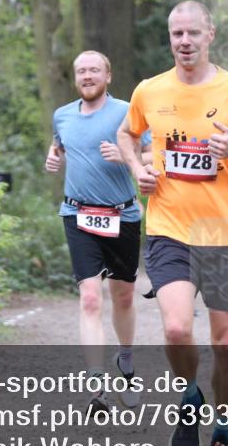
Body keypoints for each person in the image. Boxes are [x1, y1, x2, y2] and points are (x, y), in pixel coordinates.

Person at [117, 1, 228, 446]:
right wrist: (136, 169)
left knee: (227, 343)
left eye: (193, 32)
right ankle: (190, 394)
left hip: (224, 234)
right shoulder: (150, 90)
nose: (184, 41)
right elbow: (127, 134)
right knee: (176, 329)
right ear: (170, 38)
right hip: (170, 229)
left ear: (210, 34)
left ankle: (223, 428)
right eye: (177, 33)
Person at [45, 50, 150, 414]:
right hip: (78, 214)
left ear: (108, 76)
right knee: (90, 298)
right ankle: (96, 387)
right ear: (76, 77)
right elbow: (59, 146)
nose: (87, 76)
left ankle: (126, 359)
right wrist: (53, 157)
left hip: (122, 215)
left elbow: (154, 154)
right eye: (81, 71)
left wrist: (127, 157)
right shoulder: (62, 115)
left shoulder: (127, 111)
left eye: (94, 70)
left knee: (123, 297)